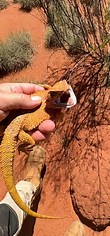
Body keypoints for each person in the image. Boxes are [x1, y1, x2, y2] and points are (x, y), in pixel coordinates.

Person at [0, 83, 85, 236]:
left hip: (14, 126)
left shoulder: (44, 94)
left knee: (7, 213)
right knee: (32, 141)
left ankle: (31, 183)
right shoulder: (44, 103)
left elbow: (48, 89)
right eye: (56, 93)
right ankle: (29, 173)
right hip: (17, 131)